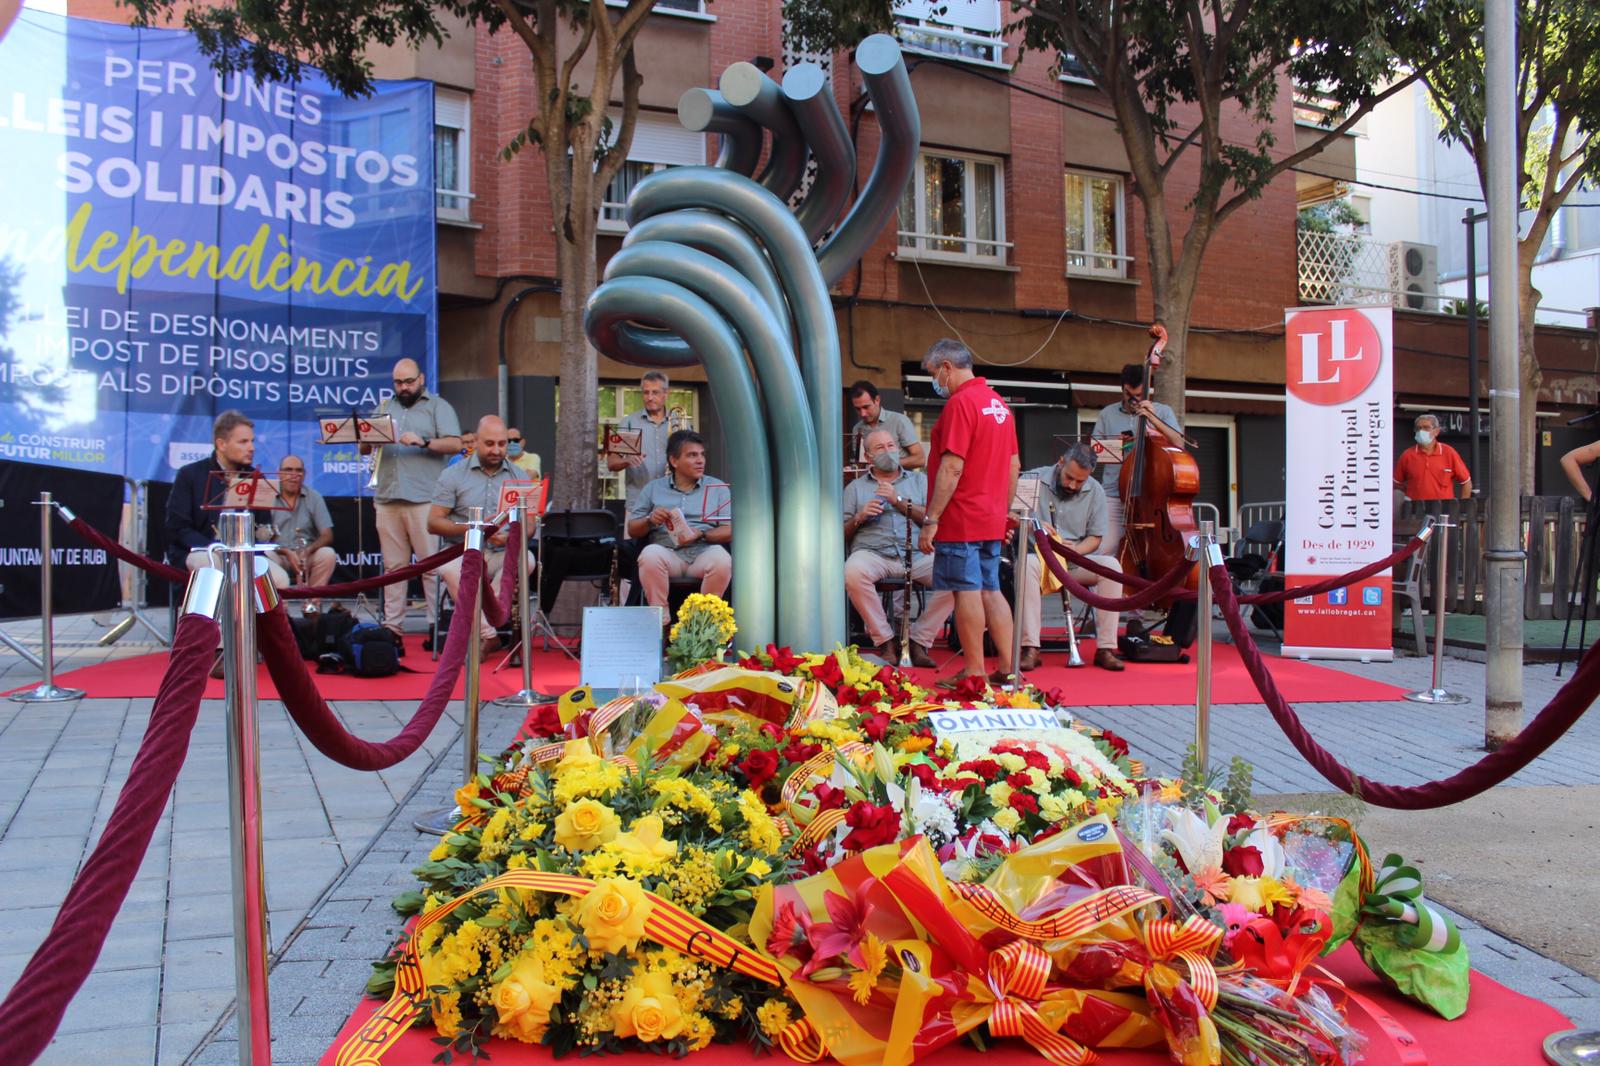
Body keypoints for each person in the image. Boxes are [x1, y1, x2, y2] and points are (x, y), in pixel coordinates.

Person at [917, 339, 1020, 687]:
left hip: (961, 516)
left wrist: (931, 519)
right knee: (992, 589)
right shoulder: (998, 404)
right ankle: (1008, 670)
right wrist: (1002, 513)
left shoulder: (961, 404)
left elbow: (951, 467)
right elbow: (1013, 466)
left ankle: (975, 672)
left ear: (947, 367)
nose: (935, 382)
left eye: (934, 374)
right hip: (990, 516)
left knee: (967, 591)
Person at [363, 358, 461, 636]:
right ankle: (393, 627)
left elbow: (455, 443)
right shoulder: (383, 407)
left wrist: (424, 441)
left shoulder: (438, 407)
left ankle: (436, 625)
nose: (403, 387)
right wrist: (367, 439)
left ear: (421, 379)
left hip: (424, 499)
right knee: (394, 568)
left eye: (408, 381)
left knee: (431, 566)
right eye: (398, 382)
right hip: (387, 497)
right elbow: (363, 449)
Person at [842, 428, 953, 665]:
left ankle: (919, 641)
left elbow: (934, 518)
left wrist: (899, 501)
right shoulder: (855, 488)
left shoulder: (920, 481)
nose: (888, 451)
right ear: (869, 456)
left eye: (891, 446)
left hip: (917, 553)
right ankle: (886, 642)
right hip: (873, 553)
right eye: (880, 448)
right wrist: (859, 517)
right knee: (853, 571)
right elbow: (840, 533)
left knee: (960, 573)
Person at [1016, 442, 1126, 671]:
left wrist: (1075, 550)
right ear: (1061, 462)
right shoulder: (1030, 478)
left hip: (1073, 559)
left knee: (1112, 567)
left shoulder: (1095, 490)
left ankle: (1106, 648)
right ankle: (1030, 648)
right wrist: (1034, 525)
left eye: (1080, 481)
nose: (1073, 485)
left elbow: (1095, 538)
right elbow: (1012, 518)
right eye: (1069, 478)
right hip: (1038, 557)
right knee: (1025, 566)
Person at [428, 416, 531, 656]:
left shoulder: (520, 476)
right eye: (489, 443)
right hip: (462, 550)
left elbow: (530, 526)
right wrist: (476, 530)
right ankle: (489, 634)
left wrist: (511, 538)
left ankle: (487, 626)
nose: (497, 450)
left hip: (503, 550)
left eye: (502, 444)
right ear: (475, 442)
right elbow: (433, 523)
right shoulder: (453, 474)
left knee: (526, 558)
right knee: (450, 570)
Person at [165, 409, 289, 589]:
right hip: (201, 551)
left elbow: (262, 527)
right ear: (221, 444)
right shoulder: (189, 474)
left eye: (252, 441)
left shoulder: (257, 478)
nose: (252, 448)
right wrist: (216, 548)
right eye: (243, 442)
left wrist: (268, 538)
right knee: (213, 567)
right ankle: (220, 617)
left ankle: (254, 617)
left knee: (280, 580)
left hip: (245, 554)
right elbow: (177, 527)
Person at [627, 430, 732, 610]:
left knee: (722, 559)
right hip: (667, 553)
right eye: (692, 455)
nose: (700, 461)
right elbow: (632, 529)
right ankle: (660, 617)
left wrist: (701, 534)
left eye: (702, 455)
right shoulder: (653, 488)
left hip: (703, 552)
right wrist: (650, 520)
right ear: (674, 461)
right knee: (650, 554)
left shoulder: (718, 488)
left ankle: (704, 620)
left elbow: (729, 530)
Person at [1091, 362, 1184, 557]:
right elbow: (1095, 453)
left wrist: (1153, 419)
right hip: (1114, 493)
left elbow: (1179, 444)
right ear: (1122, 389)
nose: (1133, 400)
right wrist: (1120, 445)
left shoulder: (1163, 411)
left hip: (1152, 496)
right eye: (1128, 394)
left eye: (1139, 395)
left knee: (1156, 551)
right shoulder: (1107, 414)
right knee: (1104, 549)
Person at [271, 455, 337, 614]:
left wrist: (308, 550)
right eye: (288, 470)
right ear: (279, 474)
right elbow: (259, 539)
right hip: (277, 553)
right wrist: (286, 552)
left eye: (298, 470)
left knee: (327, 554)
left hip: (305, 555)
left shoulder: (314, 497)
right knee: (264, 556)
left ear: (304, 474)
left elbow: (327, 534)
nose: (294, 475)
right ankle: (278, 611)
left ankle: (311, 606)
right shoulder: (267, 497)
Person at [608, 370, 674, 509]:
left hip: (672, 501)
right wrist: (627, 460)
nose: (649, 397)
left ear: (666, 394)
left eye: (655, 392)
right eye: (646, 392)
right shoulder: (630, 423)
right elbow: (612, 463)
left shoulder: (677, 422)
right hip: (638, 503)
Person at [1394, 413, 1472, 502]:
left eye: (1426, 427)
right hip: (1415, 511)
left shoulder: (1449, 453)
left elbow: (1466, 483)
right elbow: (1396, 484)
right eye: (1418, 428)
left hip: (1443, 511)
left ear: (1437, 431)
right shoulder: (1407, 455)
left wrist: (1461, 508)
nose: (1421, 431)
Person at [849, 381, 925, 470]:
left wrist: (886, 464)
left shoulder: (898, 421)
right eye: (858, 409)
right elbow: (861, 464)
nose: (863, 414)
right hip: (871, 481)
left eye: (866, 407)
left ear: (877, 400)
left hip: (899, 481)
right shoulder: (857, 428)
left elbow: (920, 459)